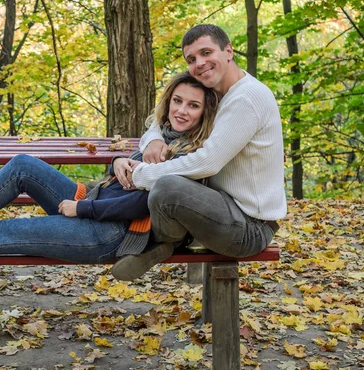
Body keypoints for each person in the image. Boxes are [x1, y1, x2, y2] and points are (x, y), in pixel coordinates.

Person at [0, 72, 219, 264]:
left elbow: (141, 205)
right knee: (23, 165)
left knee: (10, 232)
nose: (182, 110)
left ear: (205, 113)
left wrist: (82, 207)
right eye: (177, 101)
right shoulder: (162, 136)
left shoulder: (194, 154)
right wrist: (118, 161)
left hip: (111, 233)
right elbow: (131, 168)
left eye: (193, 106)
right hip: (94, 203)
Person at [110, 24, 287, 281]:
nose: (199, 63)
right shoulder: (217, 93)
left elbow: (209, 162)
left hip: (249, 227)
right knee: (135, 185)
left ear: (228, 51)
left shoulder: (247, 98)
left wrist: (142, 175)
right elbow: (161, 121)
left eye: (206, 52)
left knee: (167, 188)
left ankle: (162, 240)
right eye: (191, 59)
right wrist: (153, 141)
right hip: (216, 206)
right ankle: (155, 235)